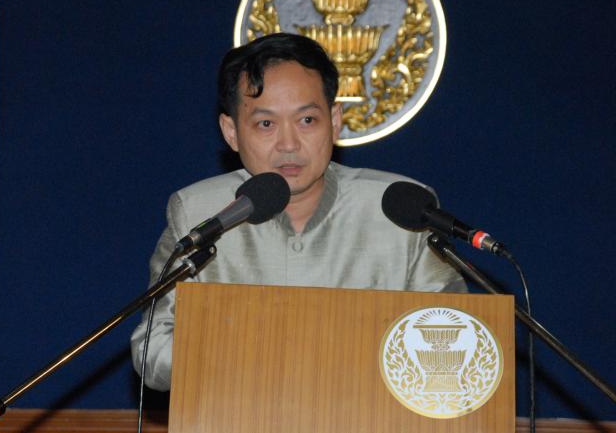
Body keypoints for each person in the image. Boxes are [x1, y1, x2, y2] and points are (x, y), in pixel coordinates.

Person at [130, 33, 466, 392]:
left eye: (307, 120)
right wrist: (250, 348)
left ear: (334, 120)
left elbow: (456, 338)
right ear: (231, 132)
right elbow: (152, 351)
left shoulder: (404, 210)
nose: (289, 144)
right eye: (266, 124)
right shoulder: (197, 214)